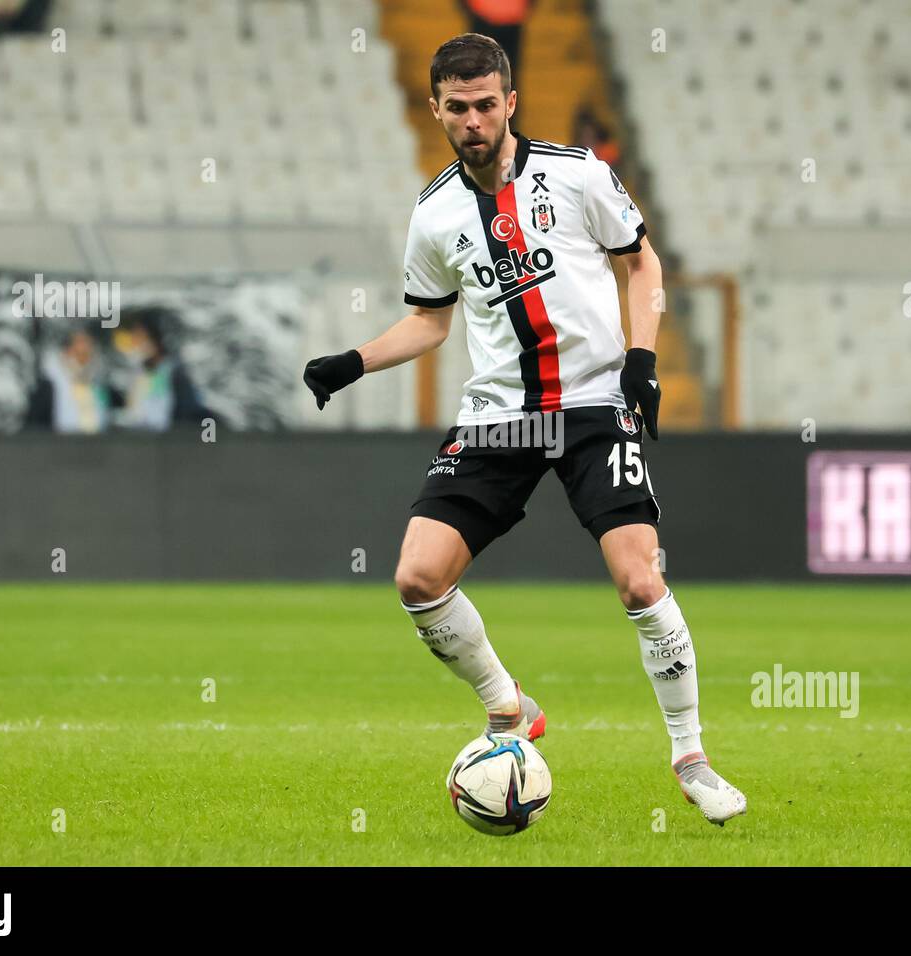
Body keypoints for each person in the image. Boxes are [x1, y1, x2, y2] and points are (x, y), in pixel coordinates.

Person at [303, 33, 746, 826]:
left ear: (510, 102)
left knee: (640, 580)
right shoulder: (435, 211)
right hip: (497, 417)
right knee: (416, 577)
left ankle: (692, 757)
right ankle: (507, 708)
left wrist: (641, 359)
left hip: (590, 408)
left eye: (485, 104)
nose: (473, 120)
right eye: (457, 107)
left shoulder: (576, 175)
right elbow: (430, 322)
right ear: (437, 109)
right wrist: (354, 362)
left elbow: (640, 263)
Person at [112, 309, 212, 431]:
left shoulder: (175, 374)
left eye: (141, 338)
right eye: (135, 338)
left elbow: (187, 413)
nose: (137, 344)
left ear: (154, 339)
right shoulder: (136, 373)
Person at [27, 327, 110, 434]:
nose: (86, 348)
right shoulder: (52, 378)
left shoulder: (98, 378)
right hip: (62, 443)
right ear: (68, 348)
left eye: (89, 343)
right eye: (81, 342)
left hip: (97, 443)